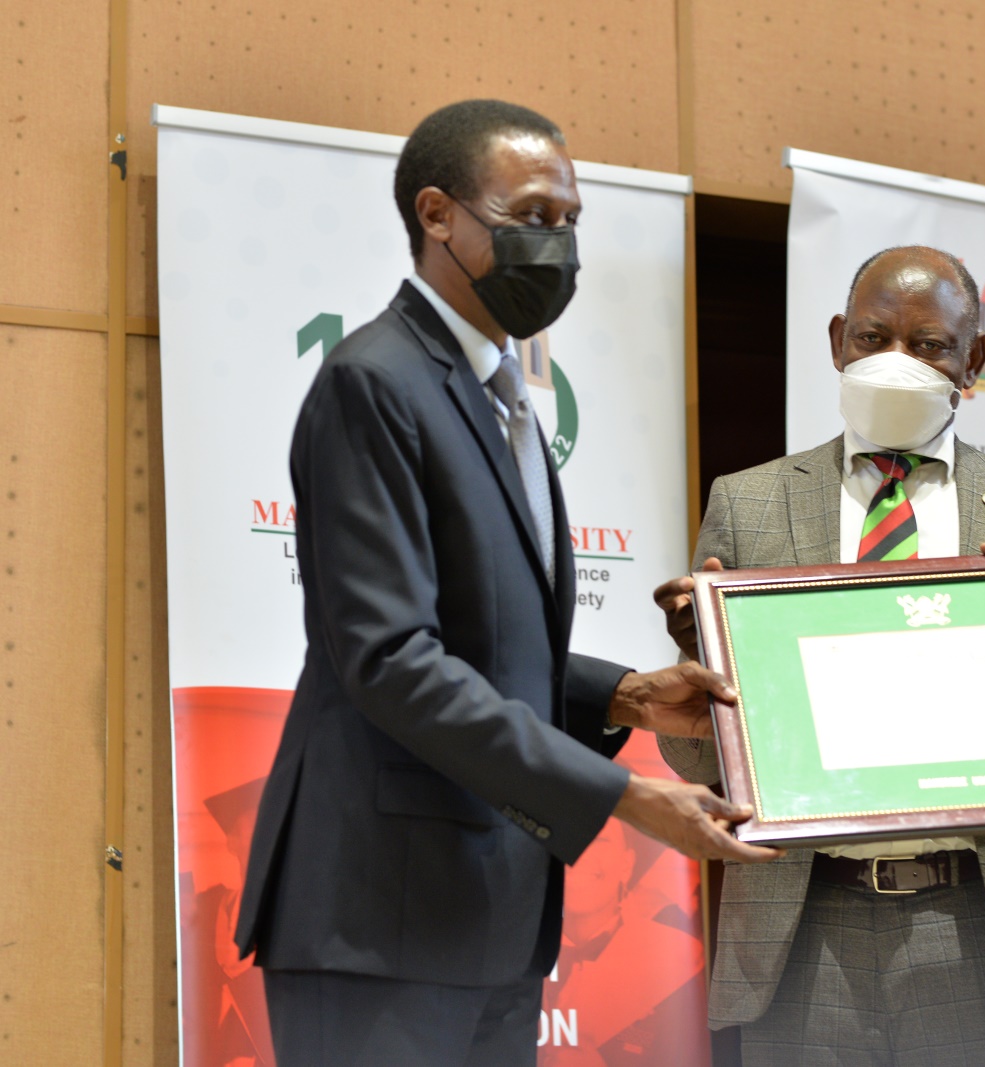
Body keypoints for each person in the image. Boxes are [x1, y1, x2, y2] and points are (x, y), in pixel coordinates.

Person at [234, 99, 779, 1066]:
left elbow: (486, 639)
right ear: (439, 214)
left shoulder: (498, 400)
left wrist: (629, 696)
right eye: (532, 216)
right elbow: (393, 659)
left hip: (488, 916)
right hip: (377, 920)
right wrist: (622, 795)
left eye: (571, 220)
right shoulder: (376, 382)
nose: (559, 245)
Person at [653, 246, 985, 1066]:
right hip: (804, 928)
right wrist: (704, 682)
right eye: (873, 337)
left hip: (984, 930)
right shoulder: (747, 504)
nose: (896, 362)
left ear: (975, 362)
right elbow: (696, 758)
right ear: (835, 343)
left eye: (928, 346)